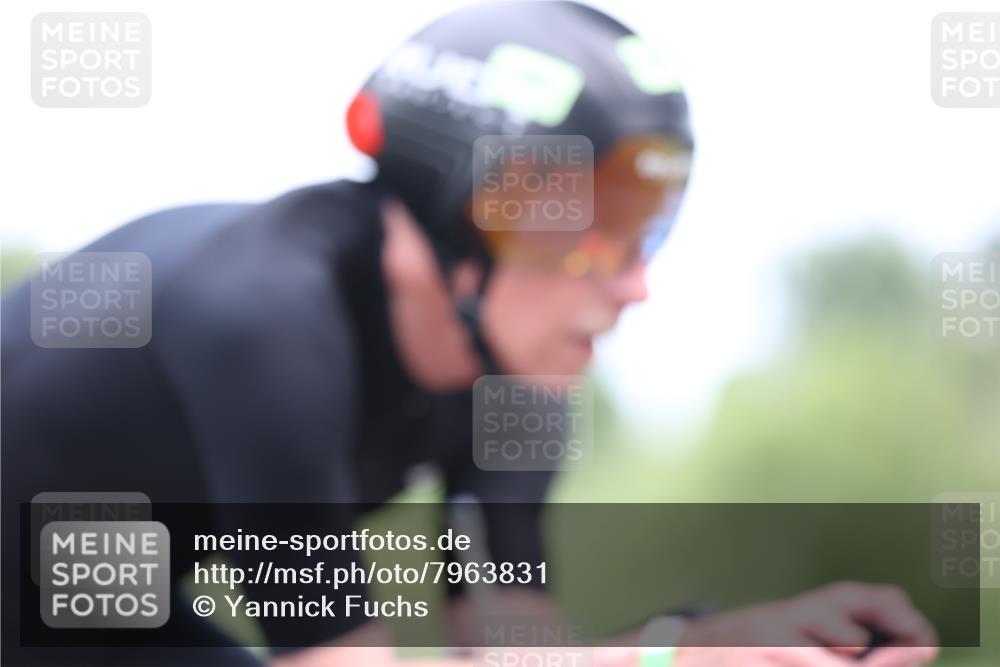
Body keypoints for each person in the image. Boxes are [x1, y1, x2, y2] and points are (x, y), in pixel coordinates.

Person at [2, 2, 938, 666]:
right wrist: (674, 659)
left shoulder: (518, 375)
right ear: (458, 220)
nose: (637, 281)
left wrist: (727, 643)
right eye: (586, 229)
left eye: (650, 223)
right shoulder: (270, 317)